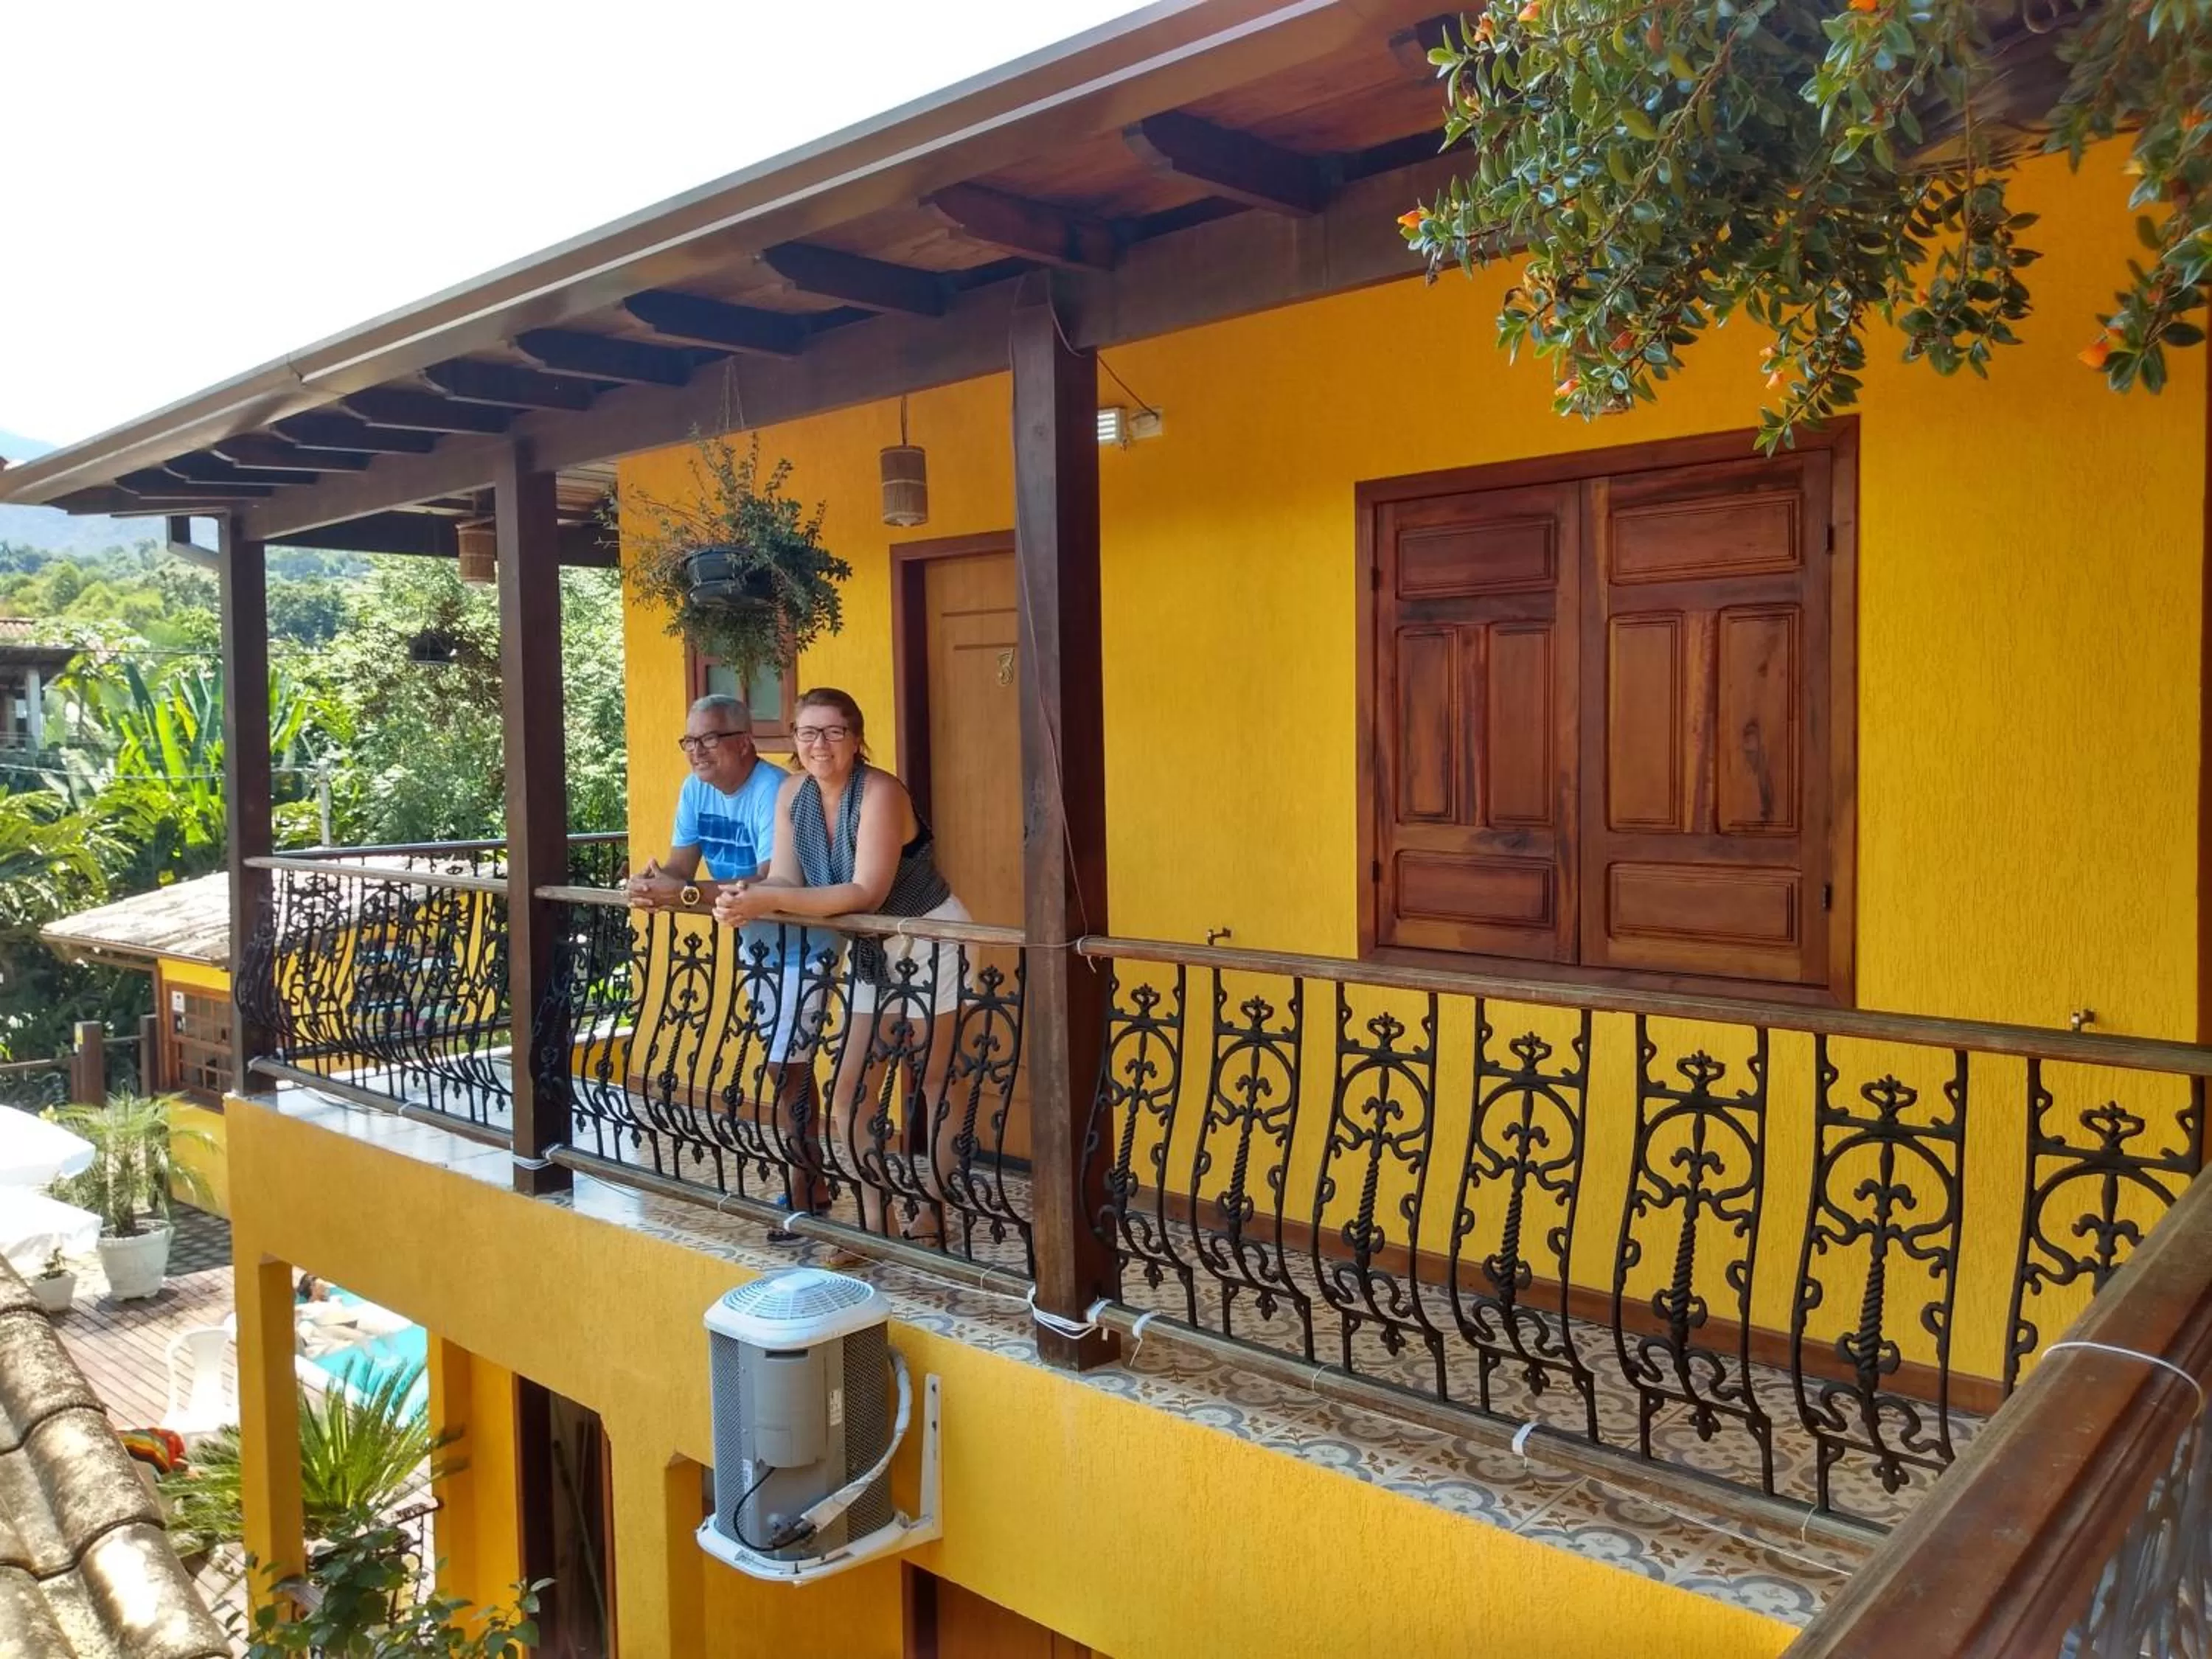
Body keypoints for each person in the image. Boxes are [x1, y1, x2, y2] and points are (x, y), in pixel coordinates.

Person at [712, 687, 971, 1243]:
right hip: (871, 947)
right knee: (851, 1089)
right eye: (807, 732)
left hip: (928, 933)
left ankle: (940, 1211)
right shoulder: (791, 796)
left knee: (935, 1082)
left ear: (856, 739)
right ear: (794, 741)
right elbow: (785, 878)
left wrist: (767, 902)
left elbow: (866, 891)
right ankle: (875, 1224)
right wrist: (745, 895)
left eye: (833, 731)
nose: (819, 743)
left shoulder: (881, 792)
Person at [628, 693, 814, 1219]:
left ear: (744, 742)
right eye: (690, 740)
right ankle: (813, 1183)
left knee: (787, 1065)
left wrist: (682, 895)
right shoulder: (695, 789)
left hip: (802, 938)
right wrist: (651, 885)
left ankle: (805, 1193)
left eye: (709, 738)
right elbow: (681, 868)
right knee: (786, 1066)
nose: (696, 751)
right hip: (756, 939)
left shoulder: (774, 790)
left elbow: (769, 879)